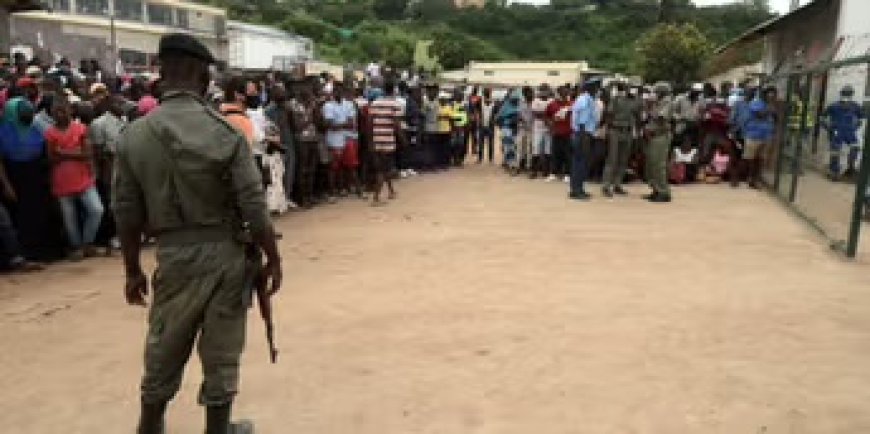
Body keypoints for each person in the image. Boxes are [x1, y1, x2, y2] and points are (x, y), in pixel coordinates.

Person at [113, 33, 281, 434]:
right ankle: (218, 429)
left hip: (171, 256)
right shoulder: (224, 133)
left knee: (163, 348)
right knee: (221, 351)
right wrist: (273, 256)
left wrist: (133, 270)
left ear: (163, 72)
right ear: (200, 73)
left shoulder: (133, 136)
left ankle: (150, 426)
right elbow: (255, 208)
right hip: (224, 255)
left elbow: (126, 213)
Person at [0, 97, 66, 262]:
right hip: (15, 181)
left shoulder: (35, 130)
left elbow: (46, 156)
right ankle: (22, 255)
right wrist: (7, 186)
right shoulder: (3, 133)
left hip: (37, 180)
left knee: (40, 216)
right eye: (23, 111)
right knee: (20, 219)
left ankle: (42, 253)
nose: (27, 114)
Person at [45, 97, 104, 259]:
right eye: (56, 112)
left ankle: (88, 242)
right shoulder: (50, 133)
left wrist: (63, 152)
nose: (60, 115)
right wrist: (75, 152)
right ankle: (77, 246)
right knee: (69, 218)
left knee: (96, 210)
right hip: (61, 180)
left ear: (70, 111)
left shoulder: (81, 128)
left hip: (83, 176)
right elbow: (51, 158)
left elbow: (87, 153)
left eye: (63, 111)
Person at [89, 94, 127, 254]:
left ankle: (123, 234)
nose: (122, 105)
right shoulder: (99, 124)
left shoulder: (125, 122)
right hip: (109, 168)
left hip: (125, 167)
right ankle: (110, 237)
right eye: (119, 103)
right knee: (111, 204)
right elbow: (97, 152)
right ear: (110, 105)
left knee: (124, 203)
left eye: (123, 103)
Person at [603, 81, 641, 197]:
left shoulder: (636, 101)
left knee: (623, 160)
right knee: (612, 159)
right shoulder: (616, 99)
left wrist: (638, 132)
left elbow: (638, 116)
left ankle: (617, 184)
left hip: (628, 131)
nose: (632, 90)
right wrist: (607, 132)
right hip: (615, 130)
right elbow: (609, 115)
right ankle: (606, 185)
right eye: (631, 87)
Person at [264, 83, 299, 209]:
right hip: (276, 143)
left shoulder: (287, 108)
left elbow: (293, 125)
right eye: (279, 93)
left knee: (290, 170)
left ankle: (287, 197)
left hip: (288, 140)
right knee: (278, 172)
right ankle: (277, 201)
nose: (282, 95)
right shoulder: (268, 110)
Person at [289, 81, 323, 209]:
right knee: (303, 169)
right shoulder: (294, 105)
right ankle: (302, 198)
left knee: (312, 169)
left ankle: (310, 195)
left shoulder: (313, 104)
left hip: (313, 139)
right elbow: (297, 126)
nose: (309, 92)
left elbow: (319, 122)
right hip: (302, 140)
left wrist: (316, 111)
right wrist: (310, 116)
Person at [368, 81, 401, 206]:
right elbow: (396, 124)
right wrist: (403, 139)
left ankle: (391, 191)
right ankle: (376, 198)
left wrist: (370, 140)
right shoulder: (395, 104)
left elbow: (370, 123)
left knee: (383, 167)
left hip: (376, 138)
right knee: (384, 168)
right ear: (393, 90)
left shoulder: (375, 103)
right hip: (388, 139)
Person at [822, 85, 864, 180]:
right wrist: (829, 129)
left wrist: (855, 127)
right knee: (836, 151)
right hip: (839, 130)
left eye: (848, 94)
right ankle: (835, 172)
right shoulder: (835, 106)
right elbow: (823, 119)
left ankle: (849, 169)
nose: (846, 96)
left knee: (854, 147)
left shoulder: (854, 106)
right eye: (846, 93)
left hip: (845, 131)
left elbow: (860, 119)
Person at [740, 88, 776, 189]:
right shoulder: (756, 103)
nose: (772, 97)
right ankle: (750, 177)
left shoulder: (770, 105)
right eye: (770, 95)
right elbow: (759, 114)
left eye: (773, 95)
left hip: (766, 135)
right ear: (764, 95)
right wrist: (770, 109)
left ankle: (756, 178)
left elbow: (775, 117)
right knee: (751, 158)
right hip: (753, 135)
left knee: (761, 159)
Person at [644, 83, 674, 203]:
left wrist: (651, 109)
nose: (654, 94)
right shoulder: (658, 103)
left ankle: (663, 192)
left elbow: (661, 117)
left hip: (661, 136)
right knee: (651, 164)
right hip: (654, 136)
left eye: (656, 92)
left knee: (659, 165)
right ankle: (656, 189)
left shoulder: (667, 102)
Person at [569, 81, 598, 201]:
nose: (598, 91)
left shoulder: (583, 99)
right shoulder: (586, 100)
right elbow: (582, 121)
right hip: (583, 134)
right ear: (591, 89)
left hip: (580, 134)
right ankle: (577, 190)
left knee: (578, 162)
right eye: (596, 88)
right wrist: (584, 137)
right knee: (581, 163)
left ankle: (577, 189)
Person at [546, 85, 573, 182]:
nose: (565, 94)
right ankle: (553, 173)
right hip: (556, 132)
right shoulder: (552, 104)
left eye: (566, 92)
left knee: (567, 154)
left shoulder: (571, 104)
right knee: (555, 154)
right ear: (559, 93)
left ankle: (567, 174)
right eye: (562, 92)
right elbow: (547, 116)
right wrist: (551, 123)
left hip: (567, 133)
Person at [530, 84, 553, 178]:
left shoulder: (551, 101)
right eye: (542, 90)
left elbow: (552, 113)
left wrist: (543, 114)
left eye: (545, 90)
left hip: (548, 128)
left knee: (548, 150)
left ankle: (546, 171)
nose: (544, 92)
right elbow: (535, 113)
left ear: (548, 91)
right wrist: (546, 115)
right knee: (536, 149)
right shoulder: (535, 101)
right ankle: (534, 171)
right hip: (538, 128)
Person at [497, 90, 520, 170]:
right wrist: (502, 128)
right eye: (514, 99)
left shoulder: (519, 106)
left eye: (517, 99)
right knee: (507, 146)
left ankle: (511, 162)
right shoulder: (505, 106)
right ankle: (508, 162)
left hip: (516, 129)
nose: (516, 101)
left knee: (514, 146)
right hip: (507, 128)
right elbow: (499, 118)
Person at [516, 86, 535, 176]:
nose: (530, 95)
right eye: (527, 93)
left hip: (531, 129)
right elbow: (519, 115)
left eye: (530, 93)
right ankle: (518, 166)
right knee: (520, 148)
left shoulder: (534, 103)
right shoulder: (521, 103)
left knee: (529, 149)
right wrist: (522, 121)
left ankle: (529, 167)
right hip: (522, 128)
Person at [450, 89, 469, 166]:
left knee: (461, 144)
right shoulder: (452, 105)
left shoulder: (465, 105)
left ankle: (459, 160)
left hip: (462, 128)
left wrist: (465, 125)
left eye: (461, 95)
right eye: (458, 95)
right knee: (453, 144)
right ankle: (454, 159)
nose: (459, 96)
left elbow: (466, 116)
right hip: (454, 127)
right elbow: (451, 115)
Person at [478, 88, 497, 164]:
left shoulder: (493, 103)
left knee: (490, 143)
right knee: (481, 143)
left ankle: (490, 159)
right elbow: (476, 110)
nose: (486, 94)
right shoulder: (480, 102)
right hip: (482, 125)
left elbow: (496, 113)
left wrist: (494, 120)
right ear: (483, 93)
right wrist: (478, 118)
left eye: (488, 92)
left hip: (490, 126)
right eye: (485, 92)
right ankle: (480, 158)